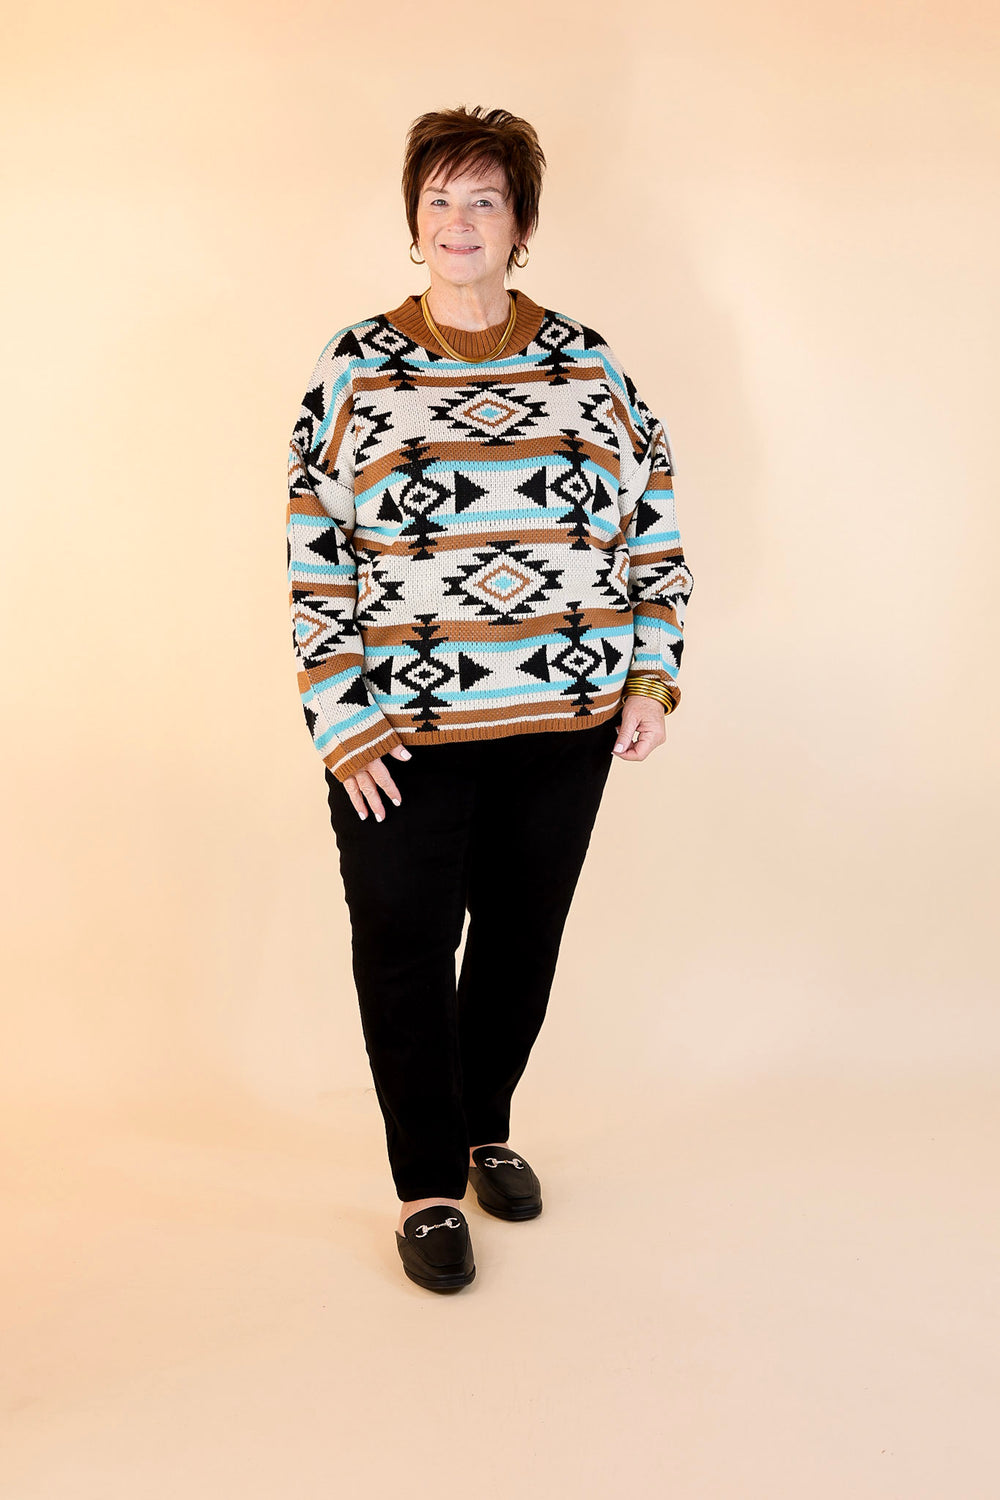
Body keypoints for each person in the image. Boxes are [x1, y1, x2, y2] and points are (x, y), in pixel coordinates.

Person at [286, 104, 694, 1293]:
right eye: (438, 200)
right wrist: (340, 714)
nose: (458, 222)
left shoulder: (589, 364)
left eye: (483, 200)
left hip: (564, 725)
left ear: (520, 225)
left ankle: (481, 1130)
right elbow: (314, 546)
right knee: (404, 945)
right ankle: (426, 1185)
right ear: (413, 220)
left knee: (520, 942)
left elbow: (652, 516)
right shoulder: (355, 365)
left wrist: (653, 671)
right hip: (403, 734)